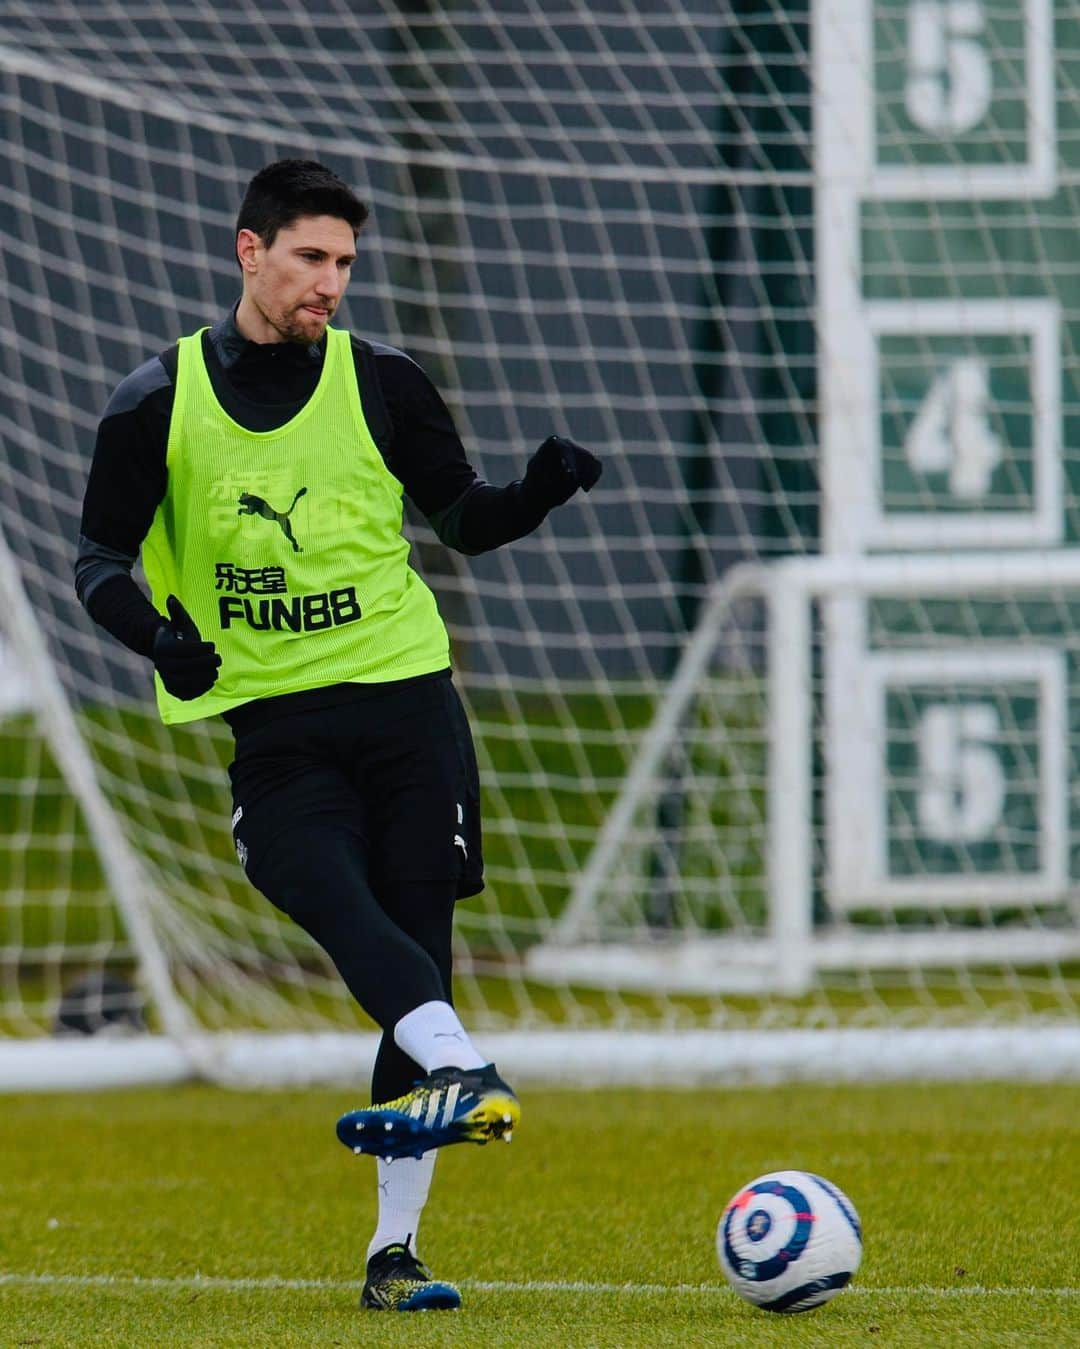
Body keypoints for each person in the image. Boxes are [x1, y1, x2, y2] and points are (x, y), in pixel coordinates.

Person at [74, 158, 601, 1313]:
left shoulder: (386, 382)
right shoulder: (154, 398)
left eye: (347, 264)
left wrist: (538, 491)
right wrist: (159, 640)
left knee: (415, 951)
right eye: (311, 257)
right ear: (248, 251)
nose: (330, 283)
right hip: (278, 731)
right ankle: (466, 1067)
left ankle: (392, 1256)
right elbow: (98, 561)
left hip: (409, 707)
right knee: (311, 881)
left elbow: (461, 519)